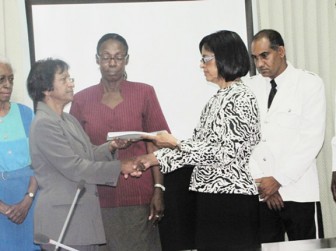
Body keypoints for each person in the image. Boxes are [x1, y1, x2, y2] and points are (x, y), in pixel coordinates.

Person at [138, 30, 261, 251]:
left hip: (231, 199)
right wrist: (150, 159)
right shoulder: (216, 99)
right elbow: (196, 148)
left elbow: (225, 153)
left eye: (206, 58)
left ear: (225, 57)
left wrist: (175, 143)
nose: (201, 65)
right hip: (211, 197)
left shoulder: (242, 97)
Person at [27, 58, 144, 251]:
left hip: (81, 219)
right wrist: (120, 166)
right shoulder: (43, 124)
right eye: (64, 79)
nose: (71, 83)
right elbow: (75, 167)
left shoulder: (68, 119)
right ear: (46, 89)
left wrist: (112, 146)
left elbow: (88, 155)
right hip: (63, 222)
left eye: (70, 78)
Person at [70, 33, 170, 251]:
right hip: (96, 198)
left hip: (138, 196)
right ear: (97, 59)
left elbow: (157, 144)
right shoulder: (81, 100)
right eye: (106, 57)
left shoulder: (144, 92)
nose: (112, 62)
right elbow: (76, 152)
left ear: (127, 59)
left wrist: (159, 188)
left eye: (118, 56)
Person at [246, 29, 326, 243]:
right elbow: (246, 139)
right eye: (255, 58)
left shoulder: (309, 83)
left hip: (299, 191)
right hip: (263, 193)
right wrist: (266, 185)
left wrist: (279, 179)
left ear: (280, 51)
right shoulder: (248, 87)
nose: (259, 63)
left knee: (309, 248)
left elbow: (312, 139)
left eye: (265, 55)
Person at [0, 56, 40, 250]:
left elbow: (38, 164)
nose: (8, 85)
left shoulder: (25, 114)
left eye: (11, 79)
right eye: (1, 80)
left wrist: (27, 200)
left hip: (29, 202)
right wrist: (4, 209)